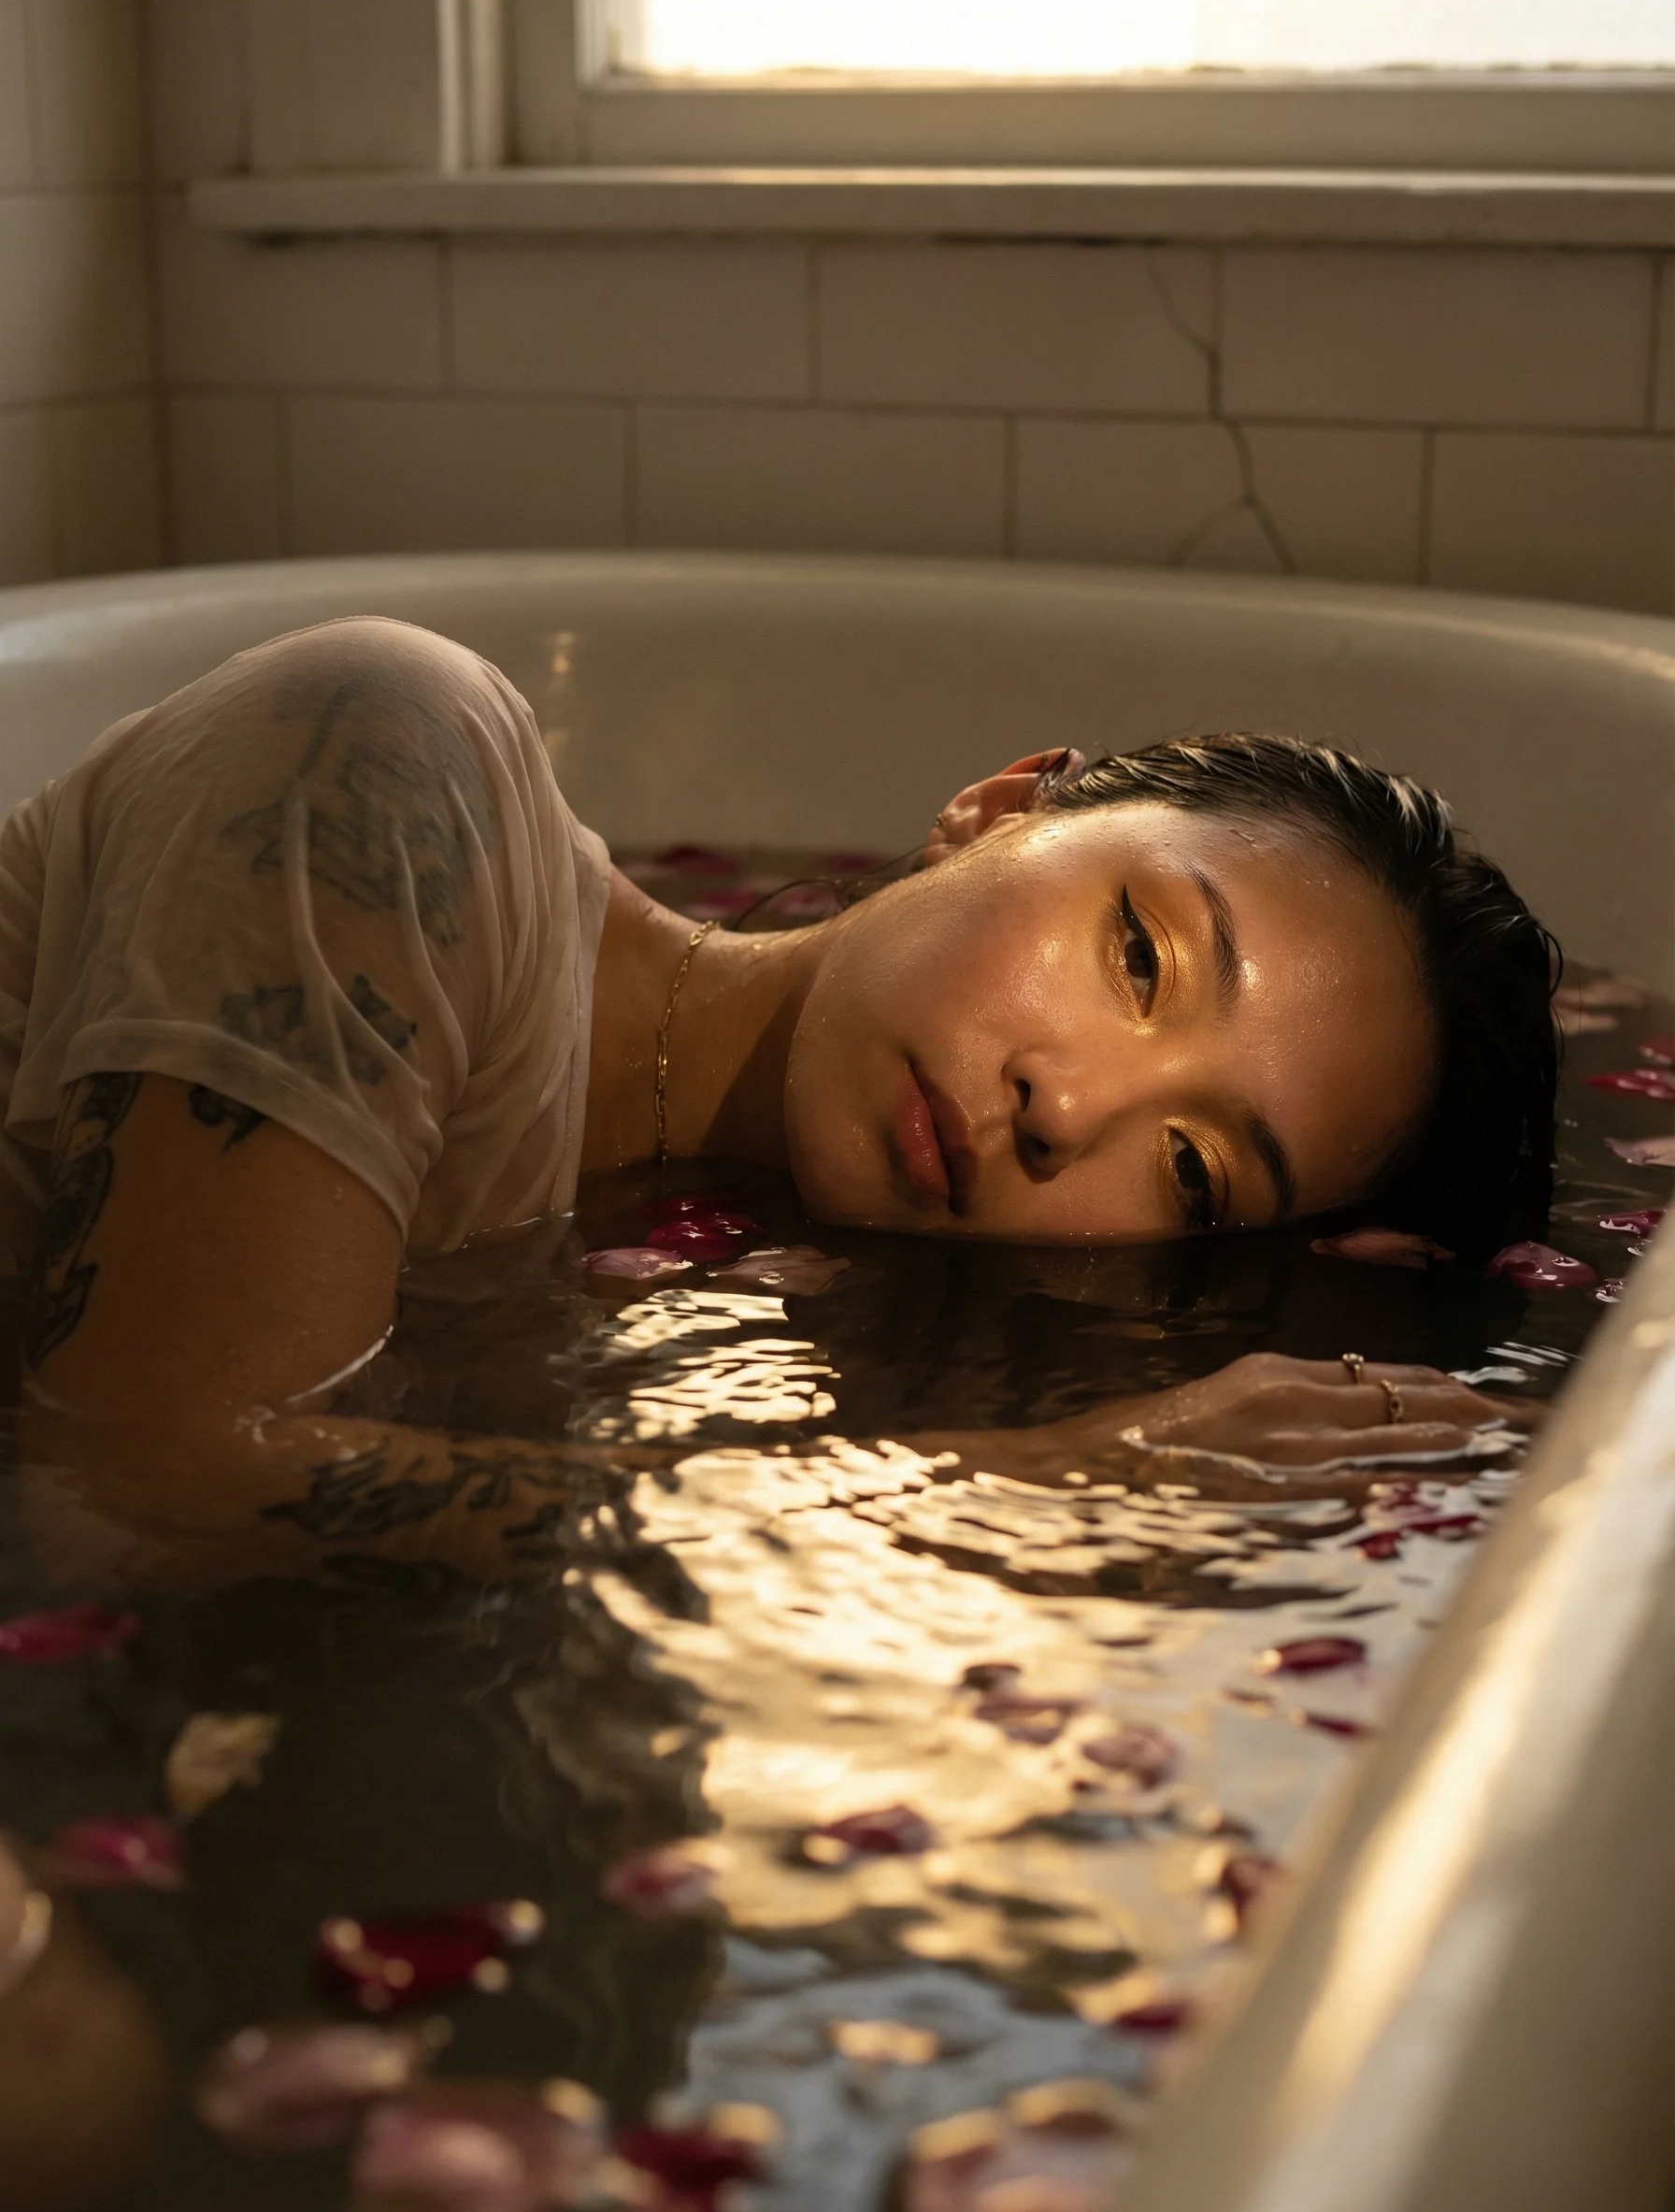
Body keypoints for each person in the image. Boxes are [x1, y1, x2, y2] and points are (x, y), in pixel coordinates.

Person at [0, 618, 1554, 1566]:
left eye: (1195, 1170)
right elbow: (149, 1474)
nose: (1066, 1113)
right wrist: (1029, 1481)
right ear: (1000, 809)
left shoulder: (731, 1277)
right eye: (1140, 956)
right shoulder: (386, 755)